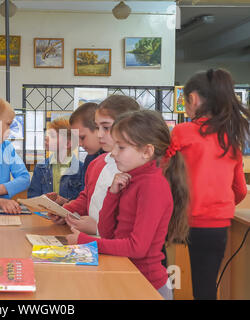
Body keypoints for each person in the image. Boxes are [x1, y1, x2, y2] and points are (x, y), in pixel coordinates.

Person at [66, 110, 191, 300]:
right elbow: (107, 232)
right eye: (114, 146)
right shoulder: (131, 178)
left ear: (147, 151)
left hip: (147, 285)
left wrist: (85, 242)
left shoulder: (152, 185)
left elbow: (137, 247)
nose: (113, 153)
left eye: (121, 147)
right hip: (127, 276)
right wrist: (113, 194)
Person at [168, 69, 249, 300]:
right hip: (217, 225)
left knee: (159, 269)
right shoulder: (231, 136)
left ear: (193, 99)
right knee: (205, 287)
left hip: (183, 220)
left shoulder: (183, 132)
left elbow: (161, 173)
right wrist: (218, 206)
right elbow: (240, 190)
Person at [51, 96, 140, 235]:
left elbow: (132, 229)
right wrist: (66, 211)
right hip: (95, 242)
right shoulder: (96, 163)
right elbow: (87, 197)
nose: (99, 134)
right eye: (98, 127)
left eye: (106, 127)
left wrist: (98, 228)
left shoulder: (138, 168)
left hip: (119, 250)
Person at [47, 102, 105, 205]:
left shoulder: (115, 160)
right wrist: (68, 206)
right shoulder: (90, 159)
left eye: (82, 137)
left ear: (99, 129)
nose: (79, 143)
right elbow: (86, 198)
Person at [27, 117, 84, 200]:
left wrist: (66, 202)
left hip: (69, 212)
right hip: (44, 212)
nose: (46, 138)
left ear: (68, 143)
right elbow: (32, 197)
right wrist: (43, 200)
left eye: (53, 136)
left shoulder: (82, 169)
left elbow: (83, 201)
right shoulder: (40, 167)